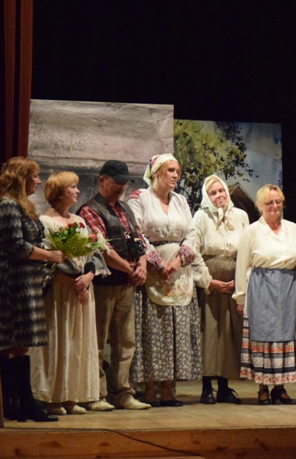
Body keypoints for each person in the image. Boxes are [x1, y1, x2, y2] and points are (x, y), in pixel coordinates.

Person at [128, 153, 208, 406]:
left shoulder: (180, 200)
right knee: (154, 329)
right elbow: (136, 232)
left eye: (177, 171)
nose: (175, 175)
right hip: (153, 271)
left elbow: (192, 234)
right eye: (171, 170)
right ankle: (150, 388)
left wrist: (179, 260)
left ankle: (168, 389)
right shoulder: (140, 198)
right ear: (157, 172)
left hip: (179, 272)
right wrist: (156, 262)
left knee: (175, 328)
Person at [0, 157, 65, 422]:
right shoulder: (7, 205)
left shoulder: (23, 205)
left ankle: (14, 403)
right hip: (12, 277)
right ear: (20, 178)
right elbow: (16, 245)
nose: (38, 181)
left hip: (26, 277)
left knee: (18, 342)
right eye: (34, 176)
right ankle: (22, 403)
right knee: (16, 341)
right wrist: (49, 255)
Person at [78, 160, 154, 411]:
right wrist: (131, 269)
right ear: (102, 180)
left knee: (126, 341)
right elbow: (103, 250)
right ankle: (95, 394)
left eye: (124, 183)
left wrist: (142, 266)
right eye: (117, 182)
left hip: (125, 284)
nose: (122, 187)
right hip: (103, 284)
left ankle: (123, 393)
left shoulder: (126, 209)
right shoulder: (90, 210)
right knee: (98, 341)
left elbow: (139, 240)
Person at [31, 171, 107, 415]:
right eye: (72, 187)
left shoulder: (79, 221)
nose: (77, 190)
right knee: (59, 339)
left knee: (77, 341)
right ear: (59, 192)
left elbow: (94, 252)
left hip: (81, 289)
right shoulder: (45, 222)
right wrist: (70, 277)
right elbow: (46, 258)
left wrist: (88, 276)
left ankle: (71, 396)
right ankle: (54, 397)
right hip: (60, 290)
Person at [234, 184, 296, 405]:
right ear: (260, 206)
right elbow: (241, 265)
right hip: (261, 287)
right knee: (263, 335)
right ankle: (262, 388)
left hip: (288, 287)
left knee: (285, 336)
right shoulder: (252, 231)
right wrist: (240, 297)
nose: (275, 206)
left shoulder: (293, 229)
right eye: (269, 202)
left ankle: (280, 388)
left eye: (278, 202)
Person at [192, 175, 248, 405]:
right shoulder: (201, 217)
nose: (218, 196)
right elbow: (194, 251)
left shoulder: (241, 216)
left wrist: (240, 281)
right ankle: (206, 387)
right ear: (207, 196)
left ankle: (224, 387)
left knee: (228, 332)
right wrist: (208, 281)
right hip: (210, 281)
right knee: (209, 331)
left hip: (234, 280)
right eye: (213, 193)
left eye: (221, 191)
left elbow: (247, 250)